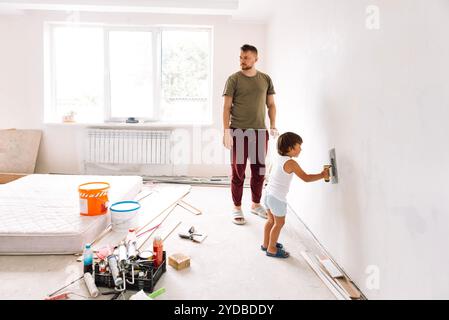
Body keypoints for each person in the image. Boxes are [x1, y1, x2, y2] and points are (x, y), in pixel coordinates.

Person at [222, 44, 279, 225]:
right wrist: (226, 131)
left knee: (259, 171)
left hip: (260, 133)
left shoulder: (265, 79)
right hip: (238, 131)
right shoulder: (234, 79)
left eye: (246, 58)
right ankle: (237, 207)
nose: (242, 61)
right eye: (240, 57)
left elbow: (271, 105)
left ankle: (255, 204)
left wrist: (273, 125)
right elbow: (226, 107)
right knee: (238, 172)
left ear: (255, 58)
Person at [262, 132, 330, 258]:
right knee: (279, 223)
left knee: (271, 221)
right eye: (299, 146)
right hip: (277, 198)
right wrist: (322, 175)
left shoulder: (278, 159)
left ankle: (266, 244)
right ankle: (272, 249)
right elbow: (306, 178)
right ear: (290, 148)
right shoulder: (291, 163)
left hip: (267, 194)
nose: (301, 149)